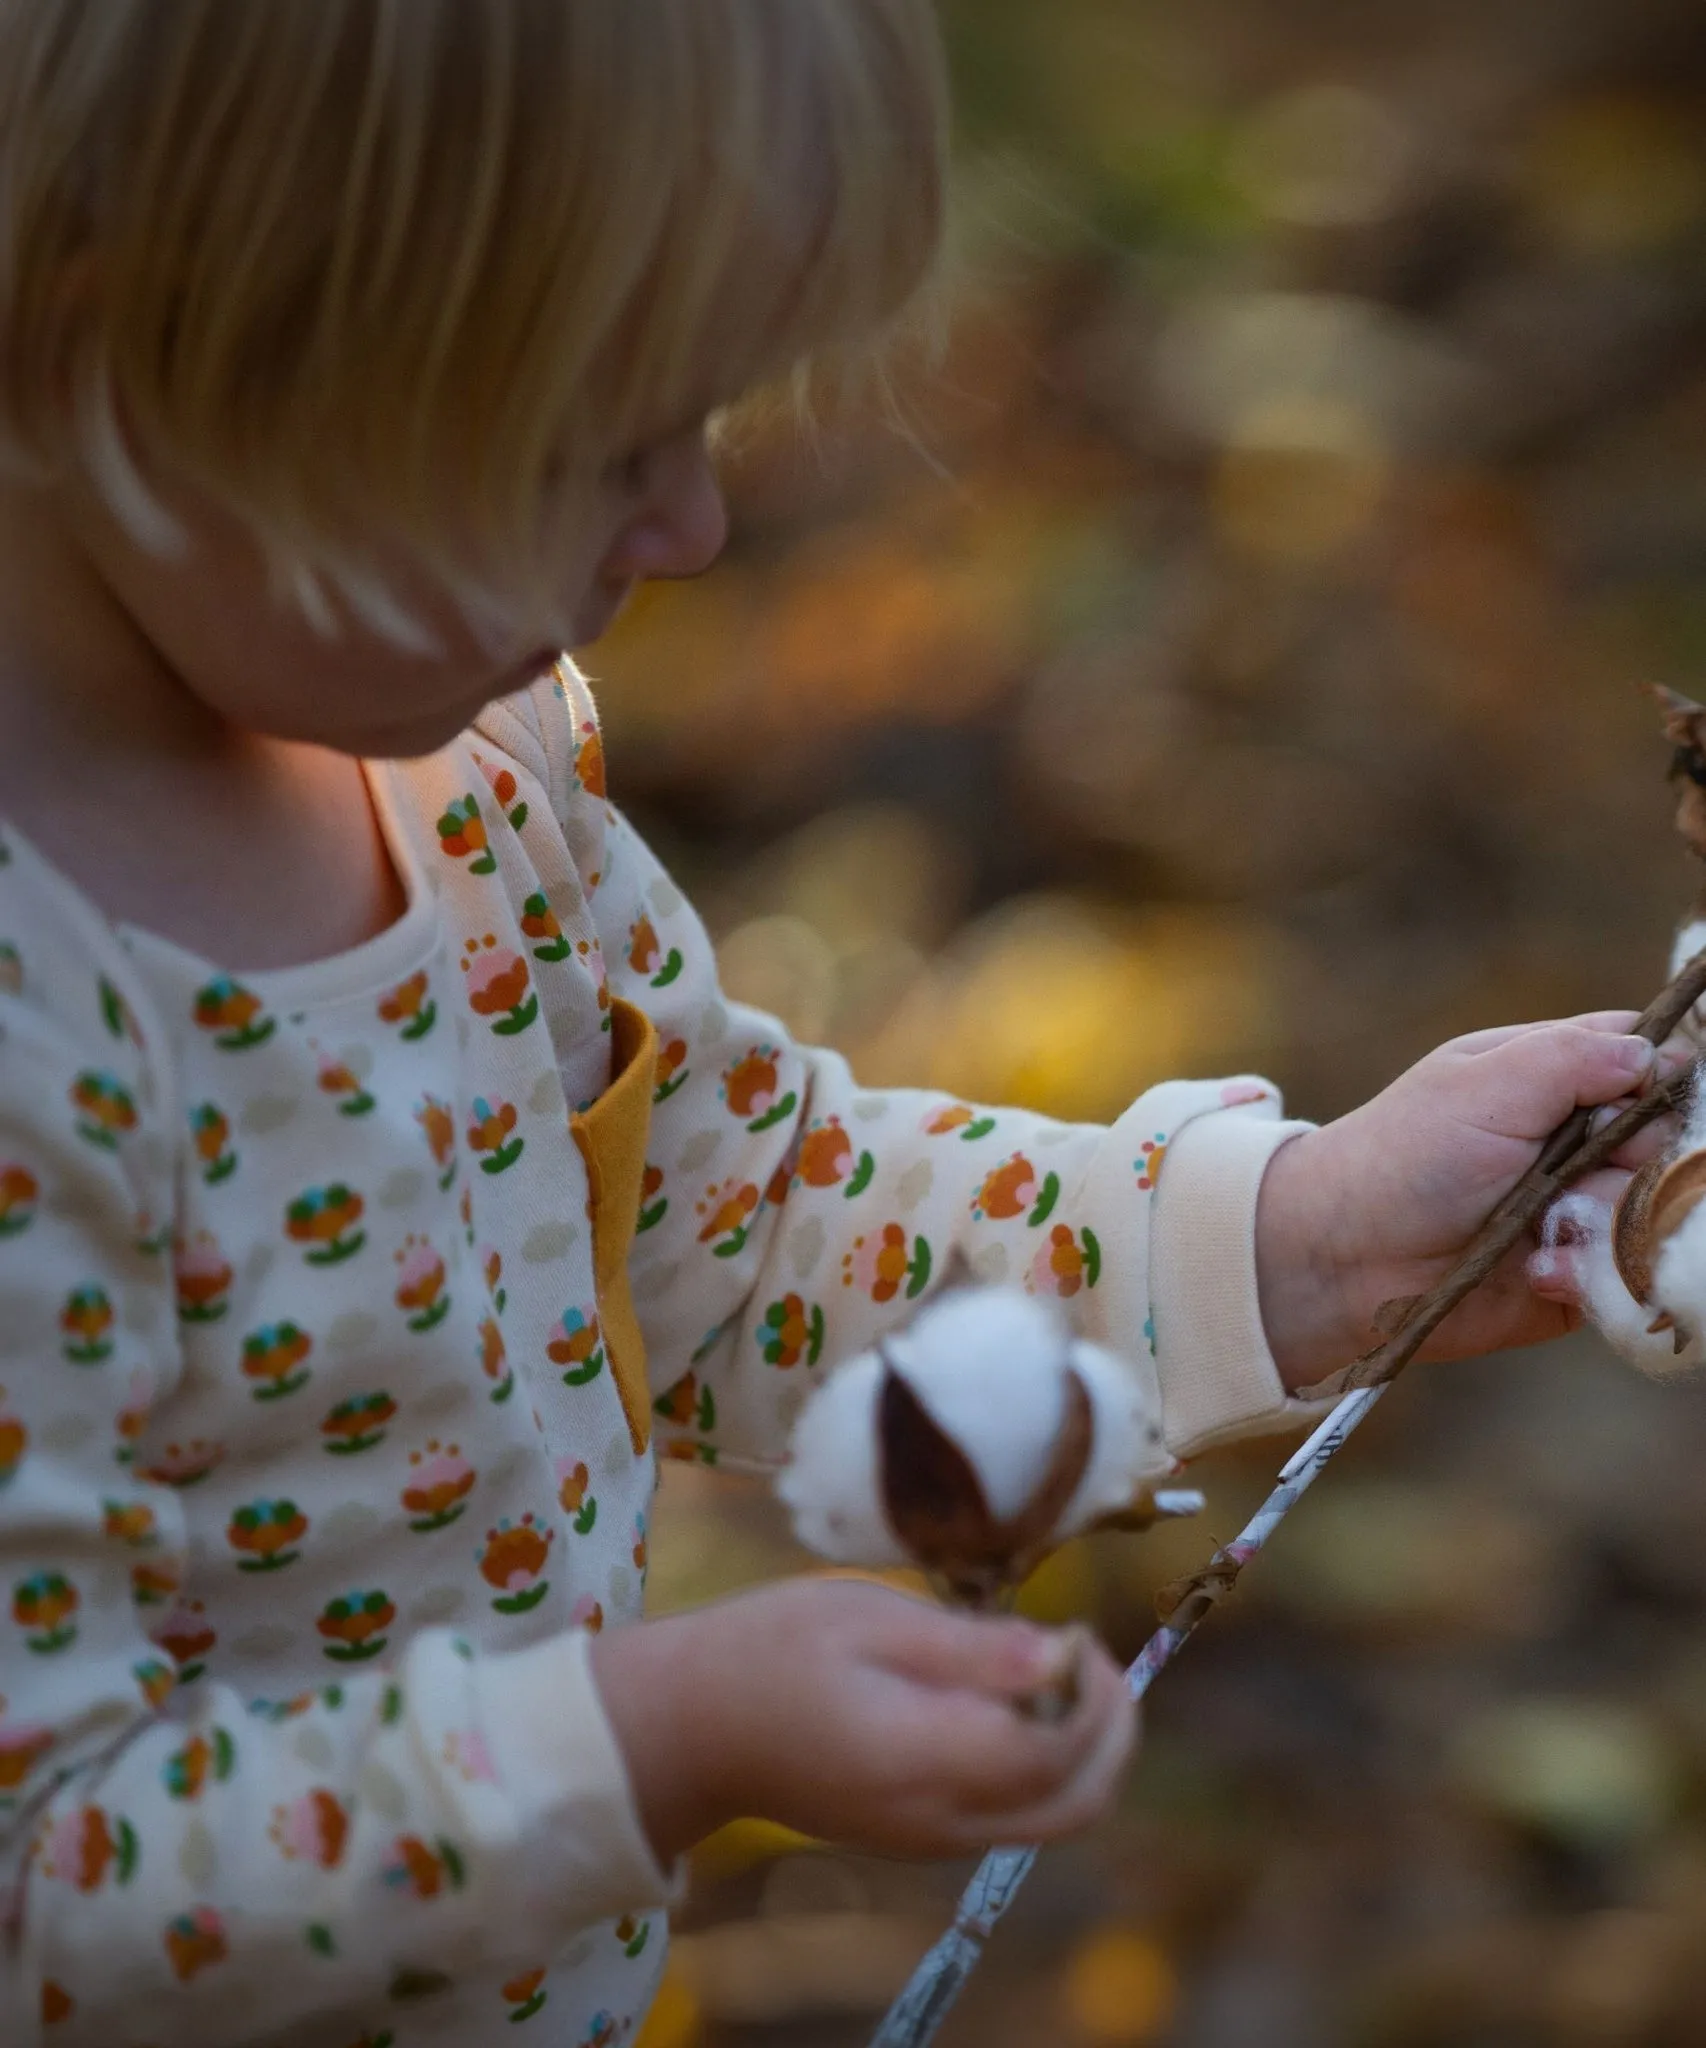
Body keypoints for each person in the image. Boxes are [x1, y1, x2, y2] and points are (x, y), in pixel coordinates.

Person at [0, 5, 1678, 2043]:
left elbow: (746, 1237)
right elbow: (44, 1886)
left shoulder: (458, 776)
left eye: (695, 420)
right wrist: (656, 1736)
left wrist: (1299, 1234)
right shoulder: (48, 1018)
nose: (688, 523)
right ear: (130, 345)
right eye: (582, 440)